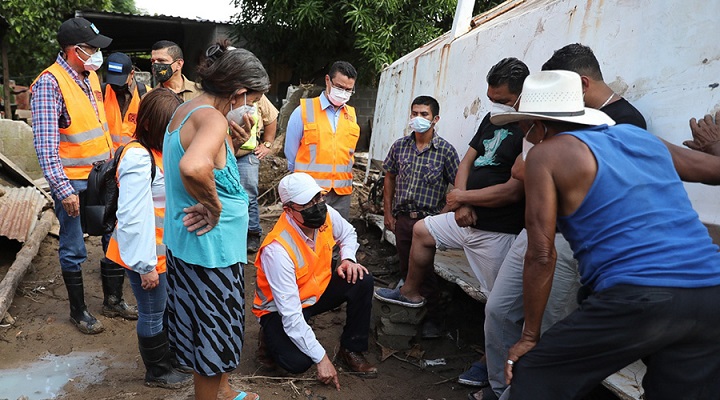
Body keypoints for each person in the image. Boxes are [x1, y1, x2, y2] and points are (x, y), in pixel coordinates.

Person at [491, 70, 720, 399]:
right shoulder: (639, 137)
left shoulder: (546, 154)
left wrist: (529, 336)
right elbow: (715, 171)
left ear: (535, 125)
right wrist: (714, 145)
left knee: (534, 374)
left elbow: (541, 255)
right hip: (712, 294)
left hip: (640, 296)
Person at [469, 44, 649, 400]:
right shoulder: (560, 115)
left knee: (551, 330)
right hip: (536, 230)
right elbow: (524, 167)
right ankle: (500, 386)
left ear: (581, 83)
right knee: (499, 310)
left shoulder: (626, 121)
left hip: (573, 242)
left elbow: (534, 169)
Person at [374, 58, 529, 309]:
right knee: (422, 231)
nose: (496, 107)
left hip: (497, 229)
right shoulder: (491, 120)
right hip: (463, 215)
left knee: (500, 303)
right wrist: (461, 202)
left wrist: (462, 199)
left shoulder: (530, 128)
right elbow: (466, 163)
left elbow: (513, 191)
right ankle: (409, 292)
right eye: (492, 99)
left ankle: (503, 344)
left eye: (502, 101)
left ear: (522, 95)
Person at [163, 40, 268, 400]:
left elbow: (213, 167)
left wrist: (231, 147)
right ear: (237, 92)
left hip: (193, 247)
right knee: (211, 336)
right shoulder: (211, 117)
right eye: (252, 101)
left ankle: (222, 390)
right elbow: (192, 167)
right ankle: (210, 394)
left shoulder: (188, 109)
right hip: (210, 254)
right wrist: (215, 206)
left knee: (208, 332)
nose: (252, 109)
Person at [31, 17, 135, 335]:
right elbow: (46, 148)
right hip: (73, 181)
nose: (96, 54)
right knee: (74, 245)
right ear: (76, 50)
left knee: (112, 235)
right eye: (92, 48)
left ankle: (113, 300)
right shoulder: (50, 83)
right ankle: (79, 311)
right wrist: (63, 190)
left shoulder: (89, 77)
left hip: (102, 176)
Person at [252, 172, 377, 390]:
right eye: (307, 203)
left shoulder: (326, 214)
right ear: (288, 210)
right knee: (298, 362)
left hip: (315, 292)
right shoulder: (277, 249)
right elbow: (290, 314)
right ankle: (267, 340)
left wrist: (348, 259)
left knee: (361, 278)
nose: (316, 206)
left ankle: (352, 349)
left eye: (318, 198)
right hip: (279, 310)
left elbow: (348, 233)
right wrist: (322, 358)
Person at [105, 88, 190, 388]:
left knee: (163, 308)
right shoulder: (139, 158)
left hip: (161, 252)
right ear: (156, 125)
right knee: (152, 313)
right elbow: (131, 218)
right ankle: (157, 371)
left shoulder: (157, 152)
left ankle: (167, 360)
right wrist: (144, 265)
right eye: (173, 124)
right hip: (146, 254)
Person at [382, 95, 459, 336]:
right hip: (403, 219)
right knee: (406, 268)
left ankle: (434, 321)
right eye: (414, 113)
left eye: (423, 114)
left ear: (435, 119)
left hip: (427, 224)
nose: (418, 118)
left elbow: (458, 185)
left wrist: (443, 217)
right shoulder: (400, 146)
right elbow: (389, 178)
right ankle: (409, 313)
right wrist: (388, 213)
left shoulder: (445, 151)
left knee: (424, 273)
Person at [284, 61, 360, 219]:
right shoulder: (303, 111)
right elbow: (291, 154)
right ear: (327, 80)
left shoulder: (351, 115)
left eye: (348, 90)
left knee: (336, 238)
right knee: (310, 238)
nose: (343, 93)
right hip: (310, 193)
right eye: (339, 87)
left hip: (341, 194)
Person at [235, 94, 279, 253]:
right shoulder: (223, 92)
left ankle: (252, 233)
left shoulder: (257, 96)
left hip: (247, 154)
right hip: (223, 153)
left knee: (249, 195)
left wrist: (267, 143)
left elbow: (271, 117)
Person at [103, 52, 150, 149]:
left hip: (135, 158)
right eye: (113, 80)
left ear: (132, 74)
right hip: (108, 159)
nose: (116, 85)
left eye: (120, 80)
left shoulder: (146, 95)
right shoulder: (102, 92)